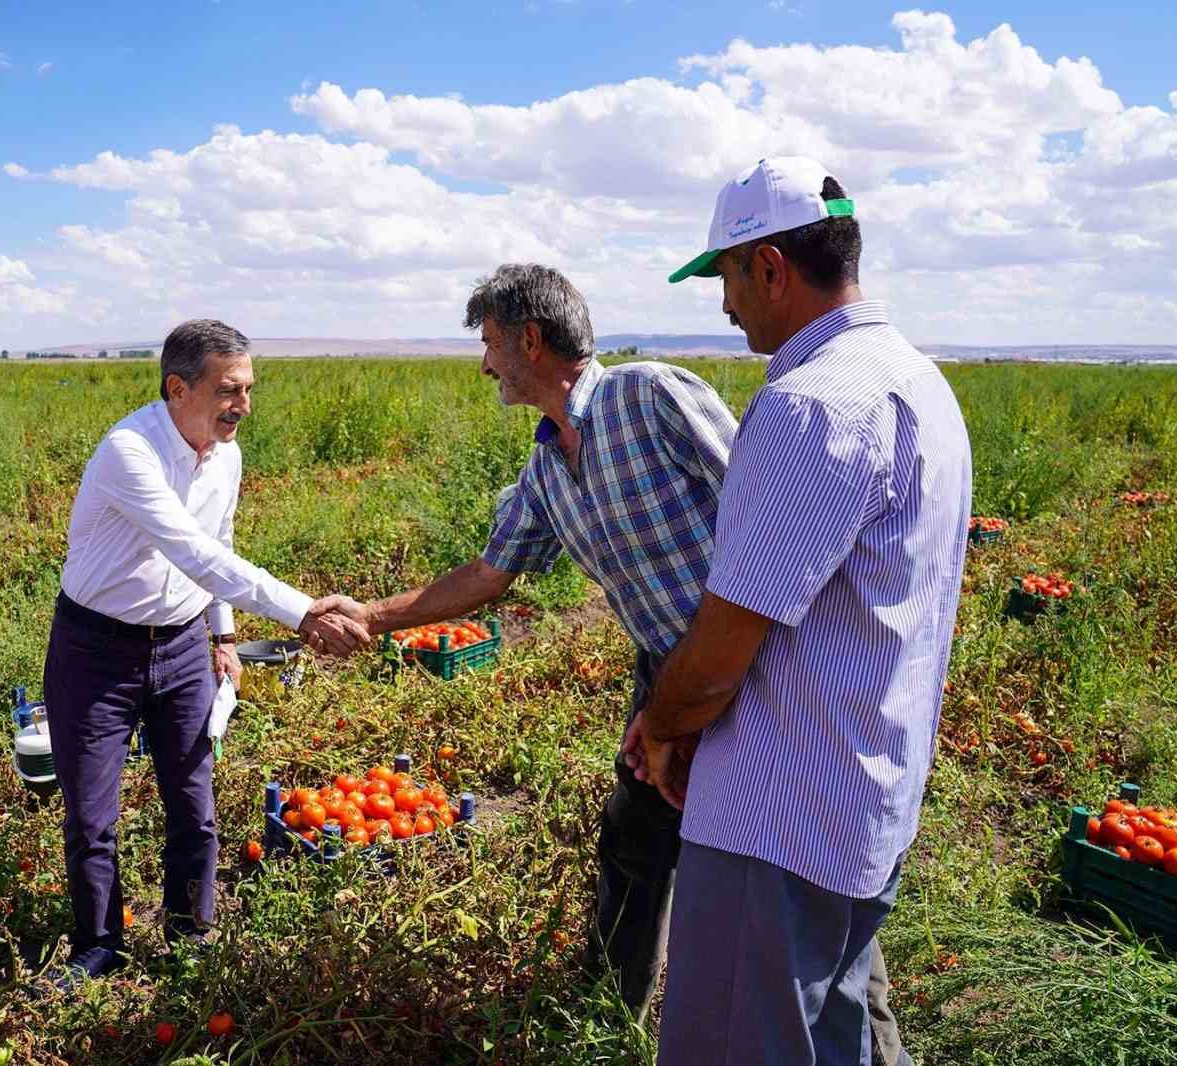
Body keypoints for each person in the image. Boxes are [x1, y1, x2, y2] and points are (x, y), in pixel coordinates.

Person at [333, 264, 902, 1052]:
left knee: (794, 873)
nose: (485, 363)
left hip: (757, 668)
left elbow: (765, 499)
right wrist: (375, 614)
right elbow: (489, 574)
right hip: (664, 677)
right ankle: (610, 1007)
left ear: (531, 340)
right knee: (635, 844)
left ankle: (867, 1036)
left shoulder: (650, 394)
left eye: (492, 343)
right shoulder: (544, 470)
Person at [624, 156, 972, 1065]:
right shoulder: (918, 384)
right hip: (864, 802)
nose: (726, 305)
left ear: (770, 266)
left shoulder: (813, 405)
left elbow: (725, 643)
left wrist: (659, 725)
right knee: (826, 1039)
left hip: (775, 825)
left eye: (728, 278)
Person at [40, 318, 369, 989]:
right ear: (177, 389)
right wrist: (303, 611)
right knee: (93, 817)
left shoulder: (228, 456)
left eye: (248, 389)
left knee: (194, 804)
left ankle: (192, 931)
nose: (243, 404)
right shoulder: (129, 451)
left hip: (185, 644)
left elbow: (217, 545)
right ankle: (99, 946)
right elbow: (193, 551)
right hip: (96, 651)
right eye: (228, 390)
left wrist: (222, 635)